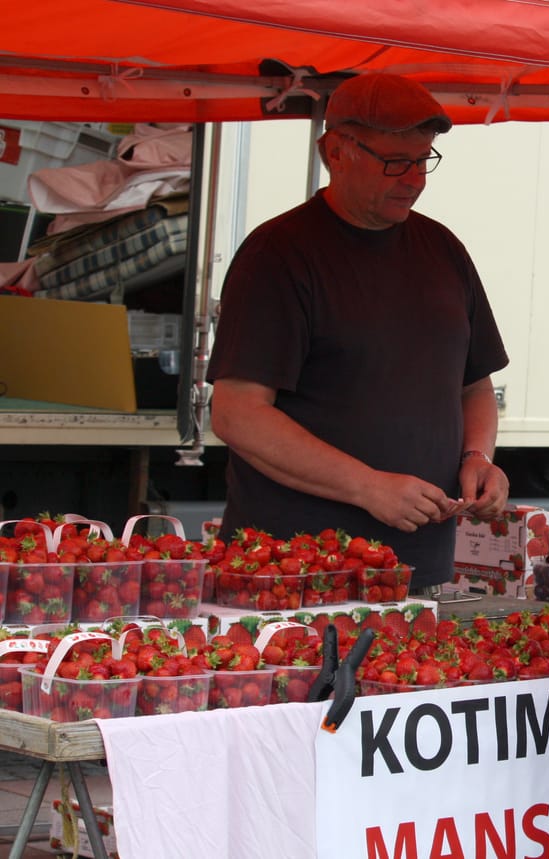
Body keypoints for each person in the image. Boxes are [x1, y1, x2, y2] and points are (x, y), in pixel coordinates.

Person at [207, 72, 510, 589]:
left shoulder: (444, 251)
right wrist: (366, 486)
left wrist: (478, 458)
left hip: (418, 568)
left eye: (423, 160)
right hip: (296, 574)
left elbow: (473, 383)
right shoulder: (277, 255)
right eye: (396, 162)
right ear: (336, 151)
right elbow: (237, 414)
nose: (415, 178)